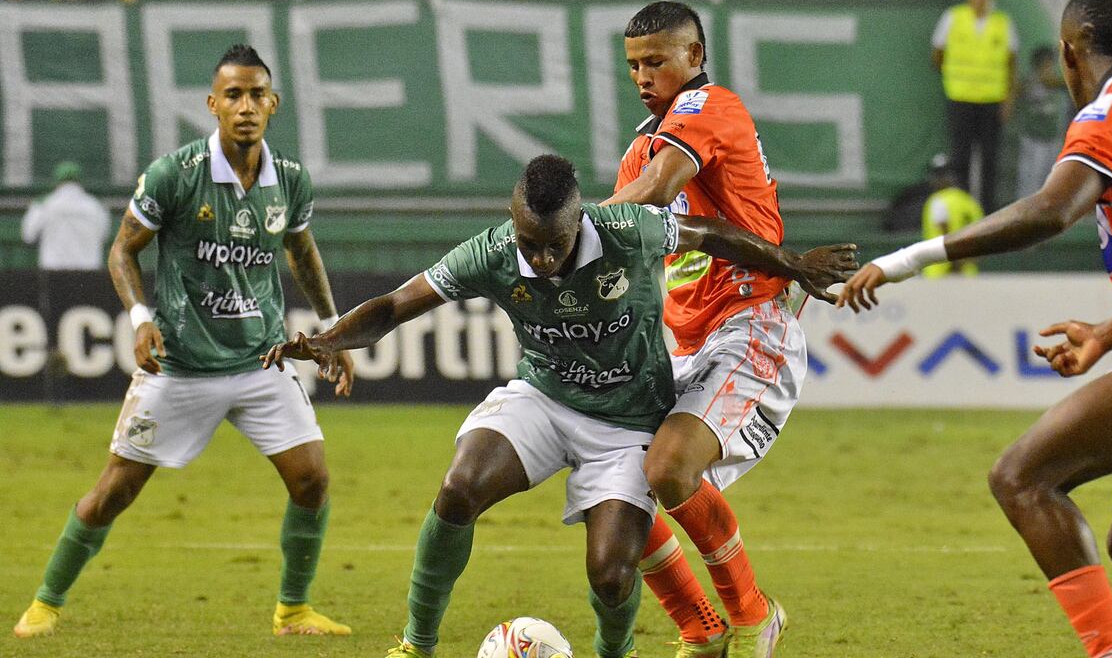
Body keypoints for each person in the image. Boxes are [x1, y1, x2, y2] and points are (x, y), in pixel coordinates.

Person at [262, 154, 857, 658]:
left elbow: (714, 234)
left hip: (629, 422)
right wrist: (326, 340)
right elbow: (396, 306)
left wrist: (793, 265)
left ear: (580, 220)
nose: (541, 260)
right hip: (543, 399)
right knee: (459, 486)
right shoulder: (491, 253)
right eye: (529, 244)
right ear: (512, 222)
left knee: (611, 572)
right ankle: (415, 644)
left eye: (554, 245)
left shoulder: (630, 230)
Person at [840, 0, 1112, 658]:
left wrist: (905, 260)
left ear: (1071, 54)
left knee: (1021, 477)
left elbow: (1048, 212)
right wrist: (1105, 335)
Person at [12, 44, 356, 640]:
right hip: (181, 366)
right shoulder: (175, 175)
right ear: (213, 105)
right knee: (115, 491)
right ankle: (46, 600)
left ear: (273, 104)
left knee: (312, 478)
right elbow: (122, 249)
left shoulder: (291, 181)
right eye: (233, 95)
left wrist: (334, 329)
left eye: (256, 95)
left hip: (261, 359)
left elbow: (300, 250)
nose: (245, 106)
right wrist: (140, 316)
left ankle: (292, 611)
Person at [605, 0, 808, 658]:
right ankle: (700, 632)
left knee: (667, 467)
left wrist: (561, 225)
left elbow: (656, 194)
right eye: (634, 64)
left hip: (751, 325)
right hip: (685, 345)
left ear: (694, 58)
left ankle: (753, 618)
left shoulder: (708, 106)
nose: (643, 76)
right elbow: (628, 250)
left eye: (657, 61)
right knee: (613, 491)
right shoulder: (642, 147)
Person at [932, 0, 1019, 213]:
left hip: (992, 100)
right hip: (960, 97)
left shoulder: (1002, 23)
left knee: (990, 159)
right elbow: (937, 55)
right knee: (961, 157)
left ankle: (988, 212)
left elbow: (1012, 64)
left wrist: (1008, 100)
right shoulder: (953, 18)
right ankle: (963, 209)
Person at [21, 161, 110, 270]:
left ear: (57, 181)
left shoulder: (43, 204)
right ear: (79, 181)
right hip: (88, 271)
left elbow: (28, 235)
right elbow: (104, 236)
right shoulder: (96, 206)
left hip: (53, 271)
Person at [1015, 45, 1071, 199]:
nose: (1050, 66)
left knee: (1050, 179)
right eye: (1047, 63)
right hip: (1032, 138)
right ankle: (1025, 216)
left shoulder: (1058, 83)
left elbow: (1060, 82)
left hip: (1053, 139)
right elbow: (1018, 90)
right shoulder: (1030, 82)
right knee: (1030, 180)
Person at [919, 153, 982, 278]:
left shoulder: (937, 200)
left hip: (941, 273)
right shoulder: (969, 201)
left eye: (940, 176)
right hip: (969, 274)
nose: (937, 180)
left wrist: (955, 265)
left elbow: (945, 235)